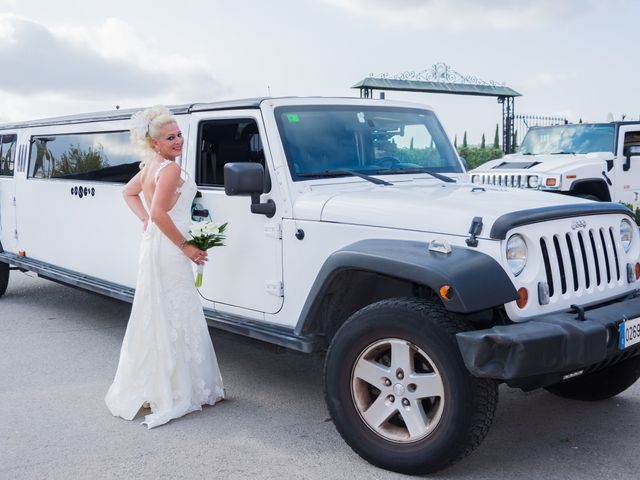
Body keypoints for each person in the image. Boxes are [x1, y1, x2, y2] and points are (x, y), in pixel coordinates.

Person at [105, 105, 224, 428]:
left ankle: (168, 384)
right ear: (155, 143)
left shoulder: (151, 167)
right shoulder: (168, 169)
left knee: (160, 312)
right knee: (177, 310)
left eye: (179, 134)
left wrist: (145, 219)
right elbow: (160, 212)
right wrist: (185, 246)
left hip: (155, 247)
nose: (178, 141)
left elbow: (129, 193)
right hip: (170, 250)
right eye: (170, 137)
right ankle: (182, 388)